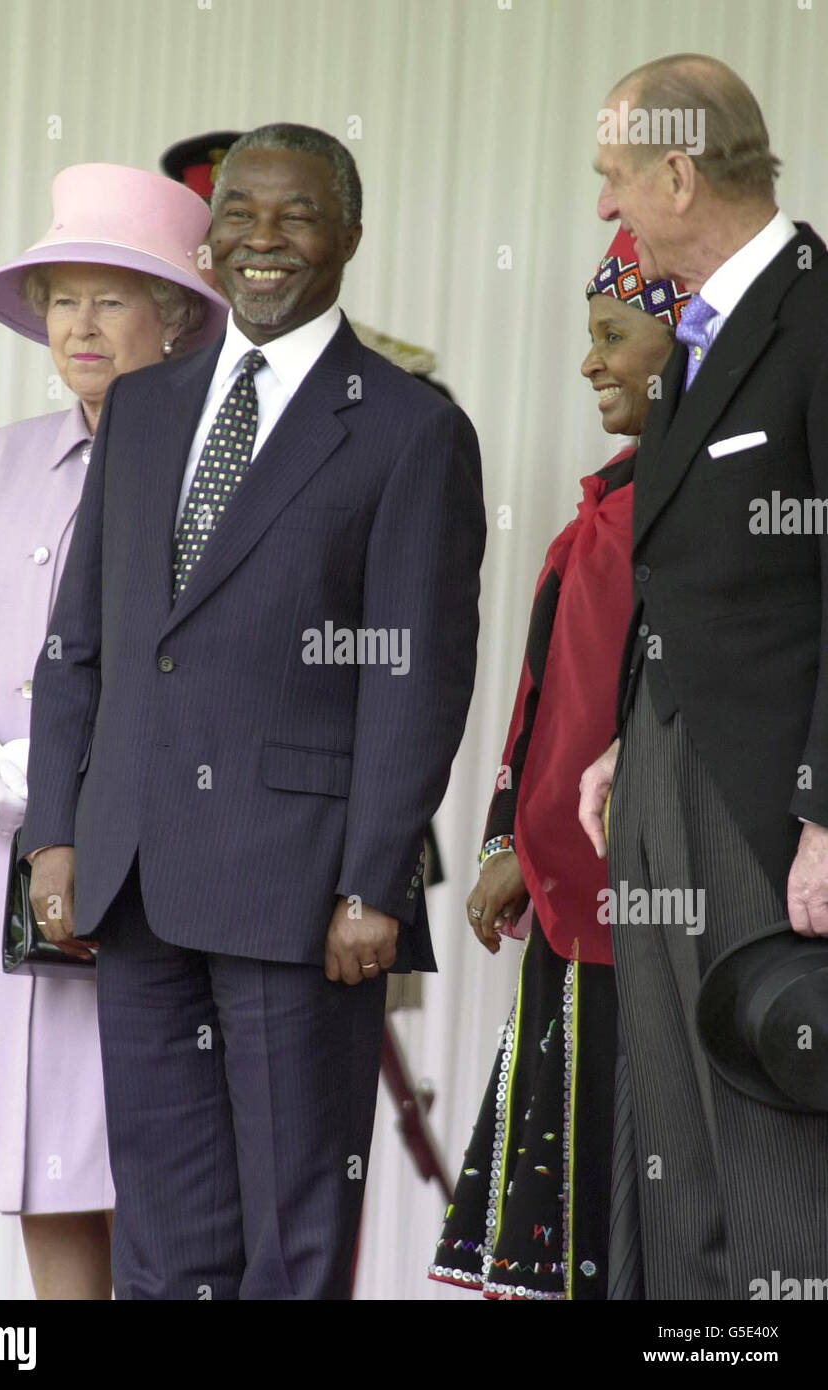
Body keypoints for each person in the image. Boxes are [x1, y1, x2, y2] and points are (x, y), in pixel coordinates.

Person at [18, 123, 486, 1300]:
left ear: (350, 239)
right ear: (208, 235)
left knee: (291, 1236)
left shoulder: (410, 426)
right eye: (240, 214)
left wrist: (374, 882)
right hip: (132, 878)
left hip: (299, 889)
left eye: (296, 216)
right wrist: (54, 832)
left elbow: (414, 676)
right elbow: (79, 643)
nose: (261, 241)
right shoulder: (142, 408)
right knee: (167, 1233)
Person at [0, 163, 226, 1300]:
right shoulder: (1, 454)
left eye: (112, 296)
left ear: (178, 314)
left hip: (127, 859)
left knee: (129, 1151)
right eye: (61, 298)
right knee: (29, 1159)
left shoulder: (209, 468)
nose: (80, 326)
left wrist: (66, 776)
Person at [579, 53, 828, 1299]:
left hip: (768, 803)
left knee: (773, 1125)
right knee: (675, 1141)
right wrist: (631, 732)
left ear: (679, 172)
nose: (608, 209)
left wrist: (827, 816)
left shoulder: (816, 311)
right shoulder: (693, 334)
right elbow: (687, 568)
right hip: (670, 773)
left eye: (615, 179)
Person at [429, 230, 689, 1300]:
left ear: (689, 341)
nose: (589, 361)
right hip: (573, 911)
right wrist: (505, 841)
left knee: (641, 1207)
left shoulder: (688, 516)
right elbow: (546, 705)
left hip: (644, 916)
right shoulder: (607, 510)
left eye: (612, 335)